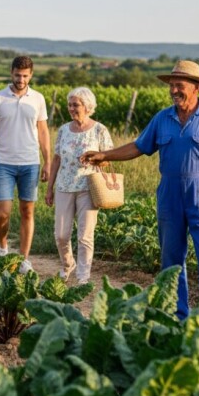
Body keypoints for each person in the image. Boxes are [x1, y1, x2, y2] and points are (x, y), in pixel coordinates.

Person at [81, 60, 199, 319]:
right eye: (172, 86)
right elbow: (138, 146)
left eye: (180, 86)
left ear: (195, 88)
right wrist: (104, 155)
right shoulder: (162, 118)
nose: (174, 90)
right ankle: (176, 316)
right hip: (169, 193)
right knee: (171, 261)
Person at [0, 56, 51, 273]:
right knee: (3, 213)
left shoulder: (38, 99)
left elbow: (43, 131)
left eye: (25, 76)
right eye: (17, 75)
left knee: (27, 211)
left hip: (30, 163)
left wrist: (48, 161)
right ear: (11, 72)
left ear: (31, 75)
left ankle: (24, 259)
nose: (21, 79)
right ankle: (3, 249)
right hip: (3, 162)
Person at [45, 87, 113, 284]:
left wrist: (95, 158)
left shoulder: (99, 130)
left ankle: (83, 276)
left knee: (85, 236)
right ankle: (68, 264)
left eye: (76, 105)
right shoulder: (64, 130)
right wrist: (49, 188)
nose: (72, 108)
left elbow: (109, 158)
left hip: (88, 187)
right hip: (64, 187)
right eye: (69, 105)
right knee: (61, 235)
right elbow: (57, 159)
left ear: (87, 106)